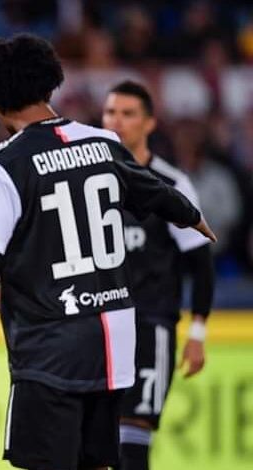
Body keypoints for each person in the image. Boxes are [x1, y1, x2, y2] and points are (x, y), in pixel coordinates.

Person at [0, 34, 216, 470]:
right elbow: (156, 192)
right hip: (114, 340)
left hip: (50, 343)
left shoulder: (3, 165)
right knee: (96, 462)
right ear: (49, 85)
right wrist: (193, 217)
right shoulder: (103, 143)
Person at [102, 80, 215, 470]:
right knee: (97, 441)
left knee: (134, 435)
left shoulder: (171, 183)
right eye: (111, 112)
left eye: (128, 113)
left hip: (150, 324)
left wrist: (197, 332)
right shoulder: (88, 179)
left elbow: (201, 262)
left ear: (149, 123)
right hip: (99, 325)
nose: (116, 121)